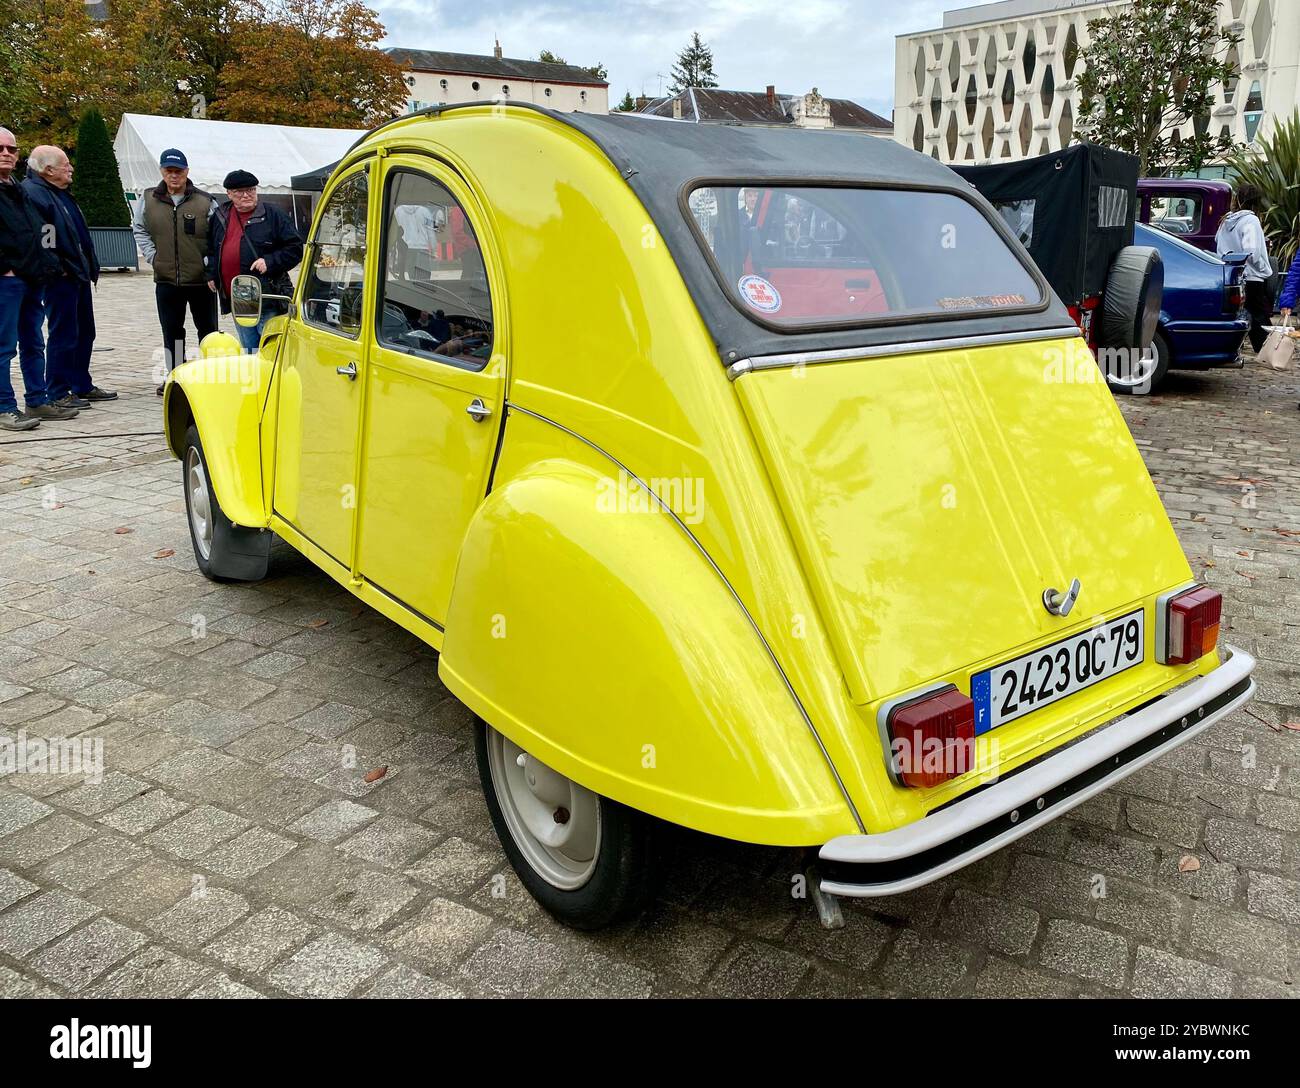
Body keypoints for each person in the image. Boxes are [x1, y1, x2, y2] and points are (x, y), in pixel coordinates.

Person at [23, 145, 116, 410]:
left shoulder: (58, 192)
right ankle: (58, 390)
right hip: (61, 277)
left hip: (77, 274)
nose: (71, 168)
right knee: (64, 333)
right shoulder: (37, 195)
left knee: (85, 331)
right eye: (65, 164)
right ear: (48, 170)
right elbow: (46, 236)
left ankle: (80, 384)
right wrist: (57, 267)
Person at [0, 130, 76, 430]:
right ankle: (5, 406)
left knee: (34, 342)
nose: (7, 152)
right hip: (7, 280)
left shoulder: (17, 189)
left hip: (31, 278)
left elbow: (39, 231)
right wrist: (4, 268)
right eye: (1, 148)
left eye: (12, 148)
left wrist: (47, 266)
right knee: (4, 346)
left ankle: (37, 399)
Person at [131, 148, 217, 394]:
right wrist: (153, 256)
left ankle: (209, 376)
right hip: (167, 279)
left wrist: (209, 264)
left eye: (178, 171)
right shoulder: (148, 199)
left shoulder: (205, 201)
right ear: (162, 171)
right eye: (169, 171)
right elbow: (140, 229)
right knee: (172, 331)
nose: (174, 176)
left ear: (187, 172)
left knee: (208, 331)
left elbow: (216, 236)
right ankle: (176, 377)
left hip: (201, 281)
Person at [207, 170, 302, 352]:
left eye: (250, 189)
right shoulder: (220, 216)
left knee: (271, 351)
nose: (246, 195)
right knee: (250, 350)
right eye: (239, 191)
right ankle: (256, 379)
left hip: (266, 296)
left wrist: (270, 261)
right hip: (238, 298)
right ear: (229, 193)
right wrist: (211, 273)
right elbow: (211, 248)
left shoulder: (273, 215)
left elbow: (295, 248)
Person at [1215, 181, 1273, 355]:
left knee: (1234, 314)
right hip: (1252, 275)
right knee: (1259, 315)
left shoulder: (1226, 220)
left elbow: (1218, 243)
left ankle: (1228, 347)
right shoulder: (1251, 220)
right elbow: (1252, 252)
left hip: (1229, 273)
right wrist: (1265, 269)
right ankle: (1267, 351)